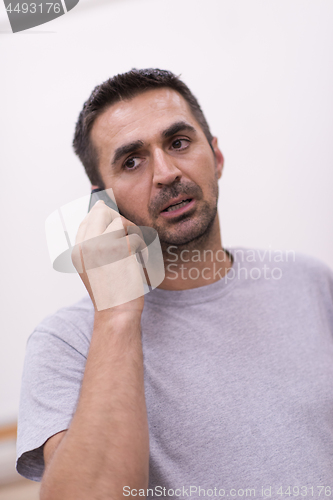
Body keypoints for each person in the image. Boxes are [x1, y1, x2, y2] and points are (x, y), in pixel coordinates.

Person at [16, 69, 333, 500]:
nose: (165, 173)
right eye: (132, 160)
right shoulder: (63, 343)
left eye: (179, 143)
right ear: (101, 203)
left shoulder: (311, 283)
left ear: (216, 156)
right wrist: (117, 314)